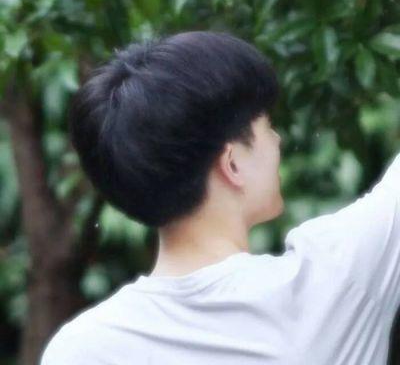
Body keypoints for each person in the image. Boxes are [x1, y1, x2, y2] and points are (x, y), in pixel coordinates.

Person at [39, 30, 400, 364]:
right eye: (266, 126)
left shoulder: (81, 349)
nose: (277, 141)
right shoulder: (330, 286)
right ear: (232, 164)